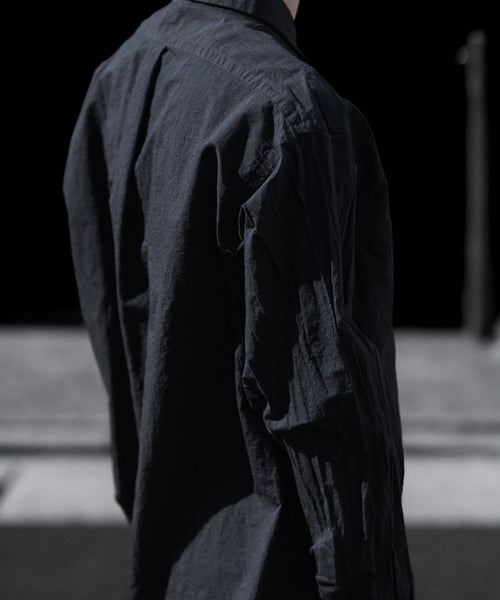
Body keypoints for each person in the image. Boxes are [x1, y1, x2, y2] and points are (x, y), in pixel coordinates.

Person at [63, 0, 414, 598]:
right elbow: (327, 413)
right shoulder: (286, 111)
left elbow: (114, 321)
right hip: (276, 572)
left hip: (174, 563)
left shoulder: (122, 73)